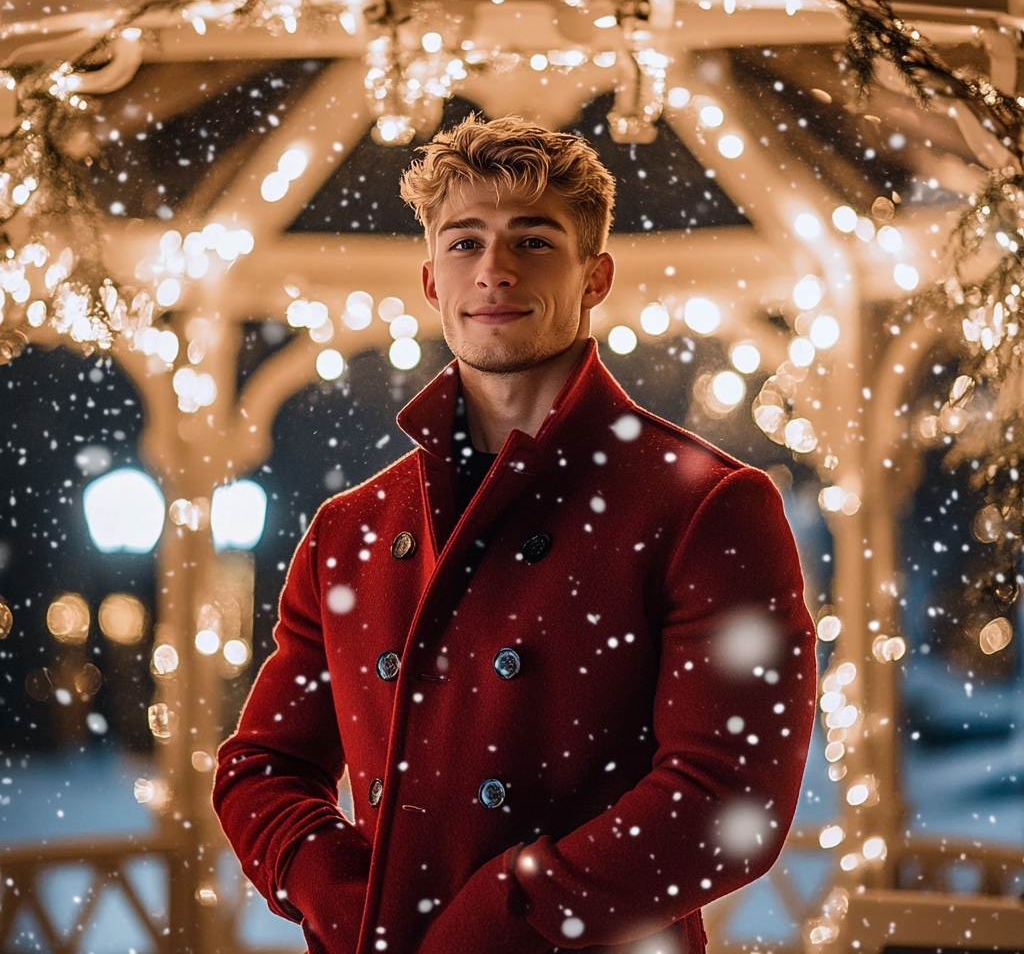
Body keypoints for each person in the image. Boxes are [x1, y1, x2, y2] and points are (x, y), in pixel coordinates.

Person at [214, 114, 816, 954]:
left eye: (533, 241)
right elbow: (260, 771)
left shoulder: (707, 506)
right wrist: (351, 902)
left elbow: (728, 798)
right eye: (465, 243)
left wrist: (506, 917)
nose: (493, 269)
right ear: (431, 281)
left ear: (594, 275)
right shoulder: (348, 531)